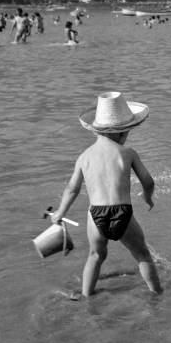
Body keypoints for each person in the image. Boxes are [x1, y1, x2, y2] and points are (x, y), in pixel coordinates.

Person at [50, 91, 162, 297]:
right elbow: (148, 181)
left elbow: (72, 189)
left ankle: (86, 296)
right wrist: (148, 197)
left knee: (95, 255)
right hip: (123, 212)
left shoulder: (84, 157)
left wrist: (60, 212)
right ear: (122, 132)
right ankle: (157, 295)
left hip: (96, 214)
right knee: (142, 254)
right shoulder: (127, 153)